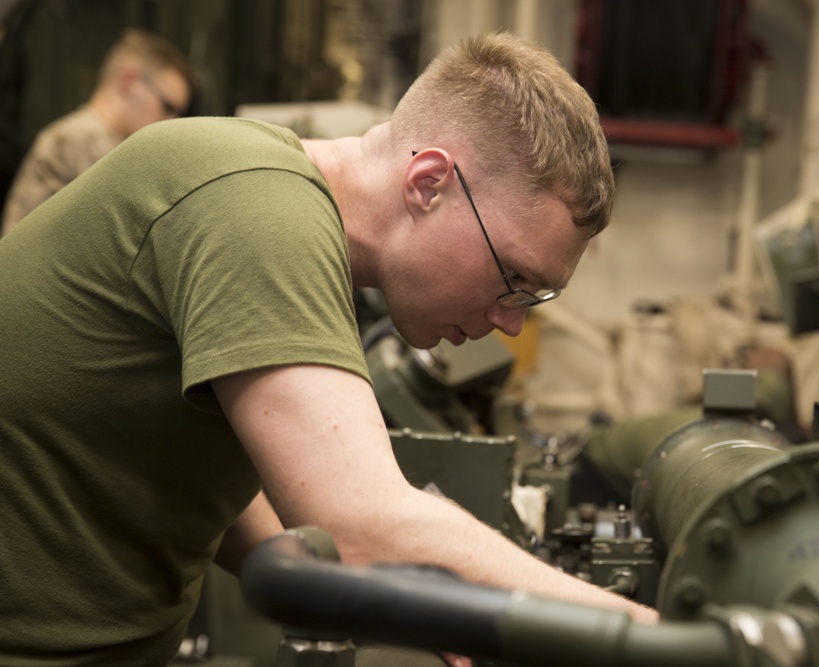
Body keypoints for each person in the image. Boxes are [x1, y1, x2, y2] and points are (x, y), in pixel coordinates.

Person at [0, 31, 657, 666]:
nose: (512, 324)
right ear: (428, 183)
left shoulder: (273, 201)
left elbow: (185, 467)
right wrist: (647, 638)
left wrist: (416, 594)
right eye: (513, 279)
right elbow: (363, 519)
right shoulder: (258, 208)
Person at [0, 28, 193, 235]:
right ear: (129, 81)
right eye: (168, 106)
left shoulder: (87, 138)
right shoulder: (84, 138)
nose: (172, 121)